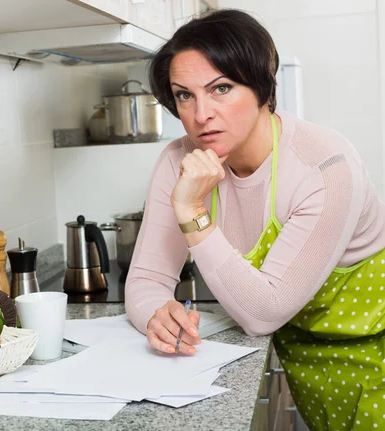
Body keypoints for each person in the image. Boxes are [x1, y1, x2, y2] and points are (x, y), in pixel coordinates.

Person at [124, 8, 385, 431]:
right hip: (302, 360)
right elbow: (146, 278)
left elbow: (263, 312)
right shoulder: (178, 160)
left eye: (221, 88)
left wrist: (192, 212)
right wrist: (157, 312)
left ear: (262, 86)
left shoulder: (326, 168)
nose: (201, 113)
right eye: (184, 94)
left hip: (375, 356)